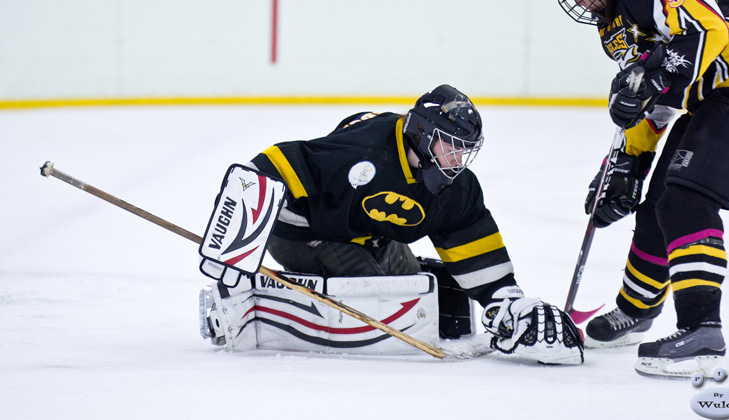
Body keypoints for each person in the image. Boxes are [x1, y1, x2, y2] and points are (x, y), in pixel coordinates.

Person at [205, 84, 583, 363]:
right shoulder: (363, 152)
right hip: (305, 232)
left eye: (463, 149)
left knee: (415, 292)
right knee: (382, 301)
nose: (457, 158)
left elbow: (471, 239)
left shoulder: (454, 187)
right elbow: (271, 166)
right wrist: (235, 245)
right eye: (449, 144)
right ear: (421, 133)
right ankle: (252, 308)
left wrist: (507, 304)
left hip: (368, 232)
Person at [551, 0, 729, 377]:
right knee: (659, 204)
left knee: (686, 202)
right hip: (717, 97)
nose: (578, 1)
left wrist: (656, 74)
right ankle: (637, 309)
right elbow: (649, 97)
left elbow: (709, 30)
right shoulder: (614, 29)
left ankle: (703, 330)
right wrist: (626, 162)